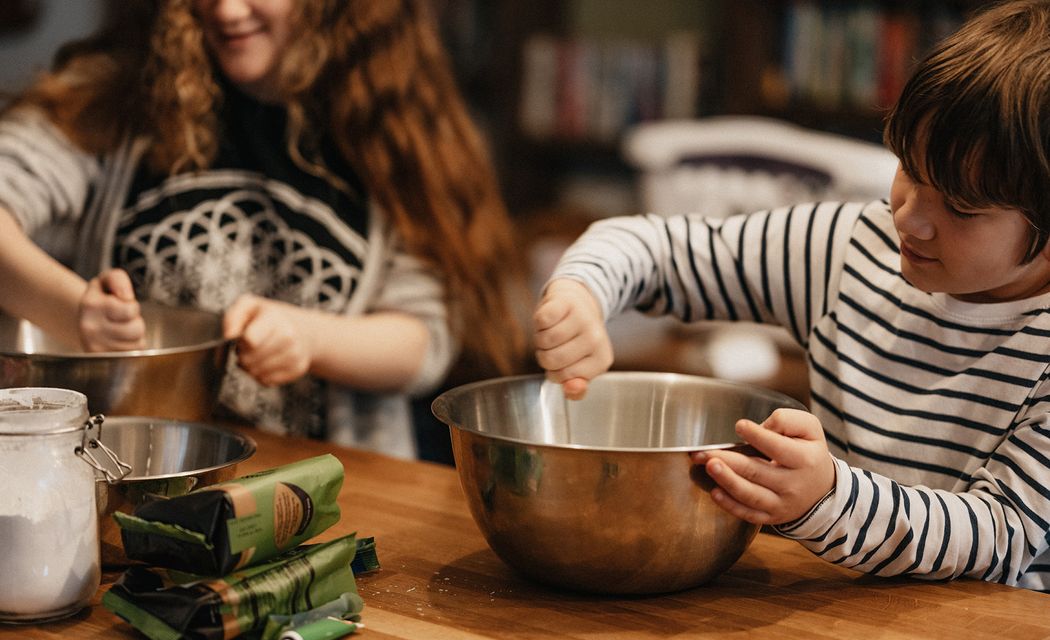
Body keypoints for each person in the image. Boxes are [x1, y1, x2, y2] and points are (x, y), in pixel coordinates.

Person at [533, 0, 1050, 591]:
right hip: (841, 612)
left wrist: (829, 497)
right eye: (909, 168)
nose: (911, 219)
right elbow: (656, 248)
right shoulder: (848, 248)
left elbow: (1001, 536)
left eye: (961, 207)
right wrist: (582, 292)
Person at [0, 0, 523, 457]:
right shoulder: (113, 98)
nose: (225, 10)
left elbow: (424, 342)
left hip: (325, 490)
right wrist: (75, 312)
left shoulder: (393, 129)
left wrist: (309, 337)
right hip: (124, 468)